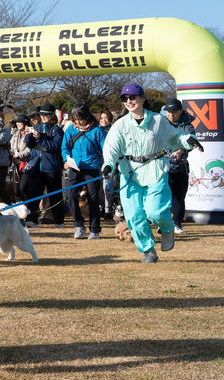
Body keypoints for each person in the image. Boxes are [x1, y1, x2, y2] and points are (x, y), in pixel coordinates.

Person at [102, 83, 203, 263]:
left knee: (155, 212)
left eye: (133, 97)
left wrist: (189, 140)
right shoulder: (120, 125)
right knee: (134, 216)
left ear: (142, 98)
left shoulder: (158, 120)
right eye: (125, 98)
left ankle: (167, 227)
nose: (129, 101)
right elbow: (111, 148)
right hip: (130, 173)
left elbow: (175, 136)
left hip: (155, 170)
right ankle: (148, 250)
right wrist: (108, 165)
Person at [61, 105, 107, 239]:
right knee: (70, 195)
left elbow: (106, 149)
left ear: (87, 117)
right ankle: (78, 225)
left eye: (80, 119)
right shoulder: (70, 130)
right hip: (75, 166)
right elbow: (65, 147)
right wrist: (66, 159)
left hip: (92, 167)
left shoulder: (97, 131)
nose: (78, 122)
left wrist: (105, 165)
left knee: (93, 197)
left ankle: (94, 229)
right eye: (75, 119)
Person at [24, 103, 65, 225]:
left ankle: (59, 221)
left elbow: (55, 146)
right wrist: (28, 137)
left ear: (52, 115)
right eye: (41, 114)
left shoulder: (57, 130)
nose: (42, 117)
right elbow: (31, 145)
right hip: (37, 166)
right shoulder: (37, 127)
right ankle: (31, 220)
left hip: (52, 167)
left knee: (55, 195)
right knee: (34, 194)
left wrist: (40, 138)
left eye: (45, 115)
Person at [162, 99, 196, 234]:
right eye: (168, 112)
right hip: (161, 165)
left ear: (180, 111)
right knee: (162, 195)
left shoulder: (188, 126)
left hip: (179, 165)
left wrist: (181, 150)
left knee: (178, 196)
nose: (171, 115)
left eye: (174, 112)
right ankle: (163, 222)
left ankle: (177, 222)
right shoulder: (160, 123)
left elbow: (191, 142)